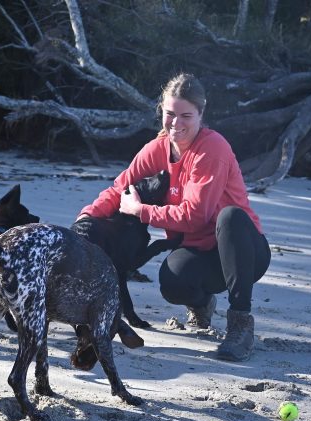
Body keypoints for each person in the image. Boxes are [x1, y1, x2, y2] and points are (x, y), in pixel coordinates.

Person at [78, 73, 271, 361]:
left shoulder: (212, 148)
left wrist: (141, 211)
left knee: (230, 217)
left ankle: (240, 323)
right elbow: (120, 189)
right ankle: (203, 304)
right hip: (201, 253)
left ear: (201, 114)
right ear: (162, 111)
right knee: (172, 282)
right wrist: (81, 224)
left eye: (186, 116)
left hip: (244, 252)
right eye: (170, 114)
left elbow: (196, 216)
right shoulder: (156, 150)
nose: (176, 124)